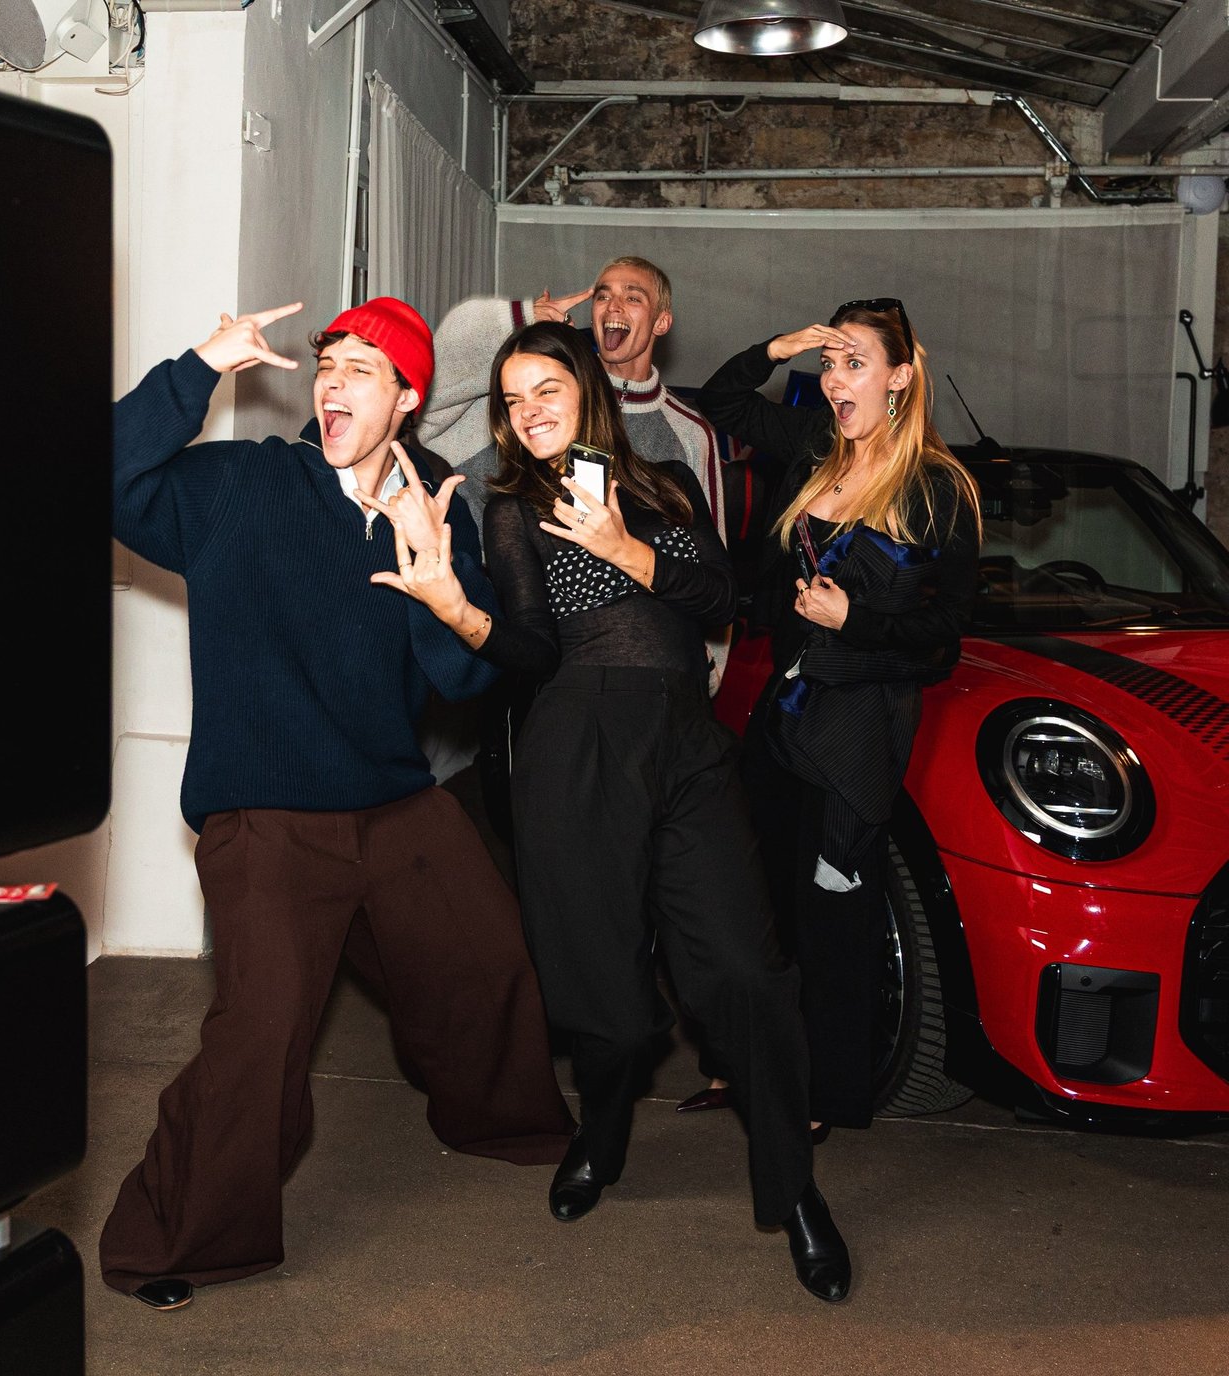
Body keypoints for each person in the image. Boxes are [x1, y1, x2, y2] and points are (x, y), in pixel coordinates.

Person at [98, 297, 576, 1311]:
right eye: (330, 365)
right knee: (263, 1027)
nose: (333, 384)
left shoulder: (435, 504)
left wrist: (442, 588)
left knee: (485, 955)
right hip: (266, 810)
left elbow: (462, 680)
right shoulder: (242, 486)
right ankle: (176, 1236)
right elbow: (100, 473)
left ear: (407, 398)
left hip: (392, 798)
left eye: (364, 370)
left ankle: (509, 1124)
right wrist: (200, 366)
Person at [376, 318, 852, 1304]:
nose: (529, 411)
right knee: (606, 994)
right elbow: (533, 649)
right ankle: (604, 1124)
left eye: (545, 388)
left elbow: (726, 596)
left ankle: (794, 1188)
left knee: (743, 972)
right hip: (574, 745)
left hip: (683, 742)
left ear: (588, 387)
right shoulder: (513, 509)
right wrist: (457, 610)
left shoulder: (663, 486)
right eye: (512, 400)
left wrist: (630, 550)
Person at [693, 299, 981, 1141]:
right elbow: (719, 403)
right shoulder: (818, 448)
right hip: (781, 722)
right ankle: (750, 1066)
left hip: (852, 740)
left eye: (853, 361)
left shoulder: (936, 489)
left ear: (900, 376)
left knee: (830, 925)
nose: (834, 378)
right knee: (756, 909)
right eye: (828, 362)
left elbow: (942, 641)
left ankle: (821, 1095)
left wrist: (855, 620)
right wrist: (778, 347)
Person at [419, 256, 731, 689]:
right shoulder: (517, 411)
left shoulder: (685, 439)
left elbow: (716, 578)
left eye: (632, 296)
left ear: (661, 322)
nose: (612, 305)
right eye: (602, 295)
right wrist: (521, 317)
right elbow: (428, 385)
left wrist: (709, 667)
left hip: (675, 696)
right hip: (531, 664)